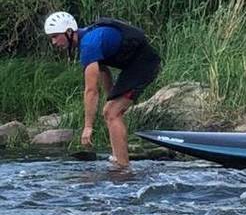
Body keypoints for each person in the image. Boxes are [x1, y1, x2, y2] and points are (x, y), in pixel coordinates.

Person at [44, 11, 162, 169]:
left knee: (112, 113)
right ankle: (118, 159)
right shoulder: (87, 38)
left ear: (69, 32)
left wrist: (88, 127)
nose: (53, 42)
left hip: (145, 64)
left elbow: (91, 91)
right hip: (136, 65)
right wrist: (111, 97)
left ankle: (123, 167)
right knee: (110, 110)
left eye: (55, 36)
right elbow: (103, 70)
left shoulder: (89, 44)